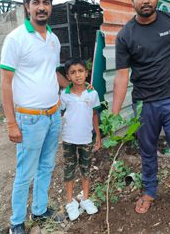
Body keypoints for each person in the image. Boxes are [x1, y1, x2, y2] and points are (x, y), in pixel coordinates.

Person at [111, 0, 170, 218]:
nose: (146, 0)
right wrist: (115, 114)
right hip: (144, 104)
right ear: (132, 0)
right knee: (147, 151)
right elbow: (121, 75)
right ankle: (149, 190)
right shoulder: (125, 35)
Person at [1, 0, 63, 234]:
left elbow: (53, 73)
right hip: (29, 119)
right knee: (25, 172)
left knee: (47, 166)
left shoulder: (54, 39)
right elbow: (5, 82)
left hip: (53, 115)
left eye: (46, 2)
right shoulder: (16, 38)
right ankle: (17, 221)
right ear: (27, 7)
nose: (41, 7)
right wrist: (11, 122)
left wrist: (75, 87)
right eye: (36, 2)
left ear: (50, 7)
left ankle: (39, 210)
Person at [60, 57, 101, 221]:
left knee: (86, 169)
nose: (77, 75)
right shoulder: (65, 95)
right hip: (69, 138)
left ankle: (85, 199)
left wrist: (97, 135)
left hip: (86, 139)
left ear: (86, 73)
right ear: (68, 76)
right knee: (69, 170)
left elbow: (94, 115)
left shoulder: (92, 93)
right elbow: (61, 114)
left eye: (80, 71)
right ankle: (70, 202)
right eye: (73, 72)